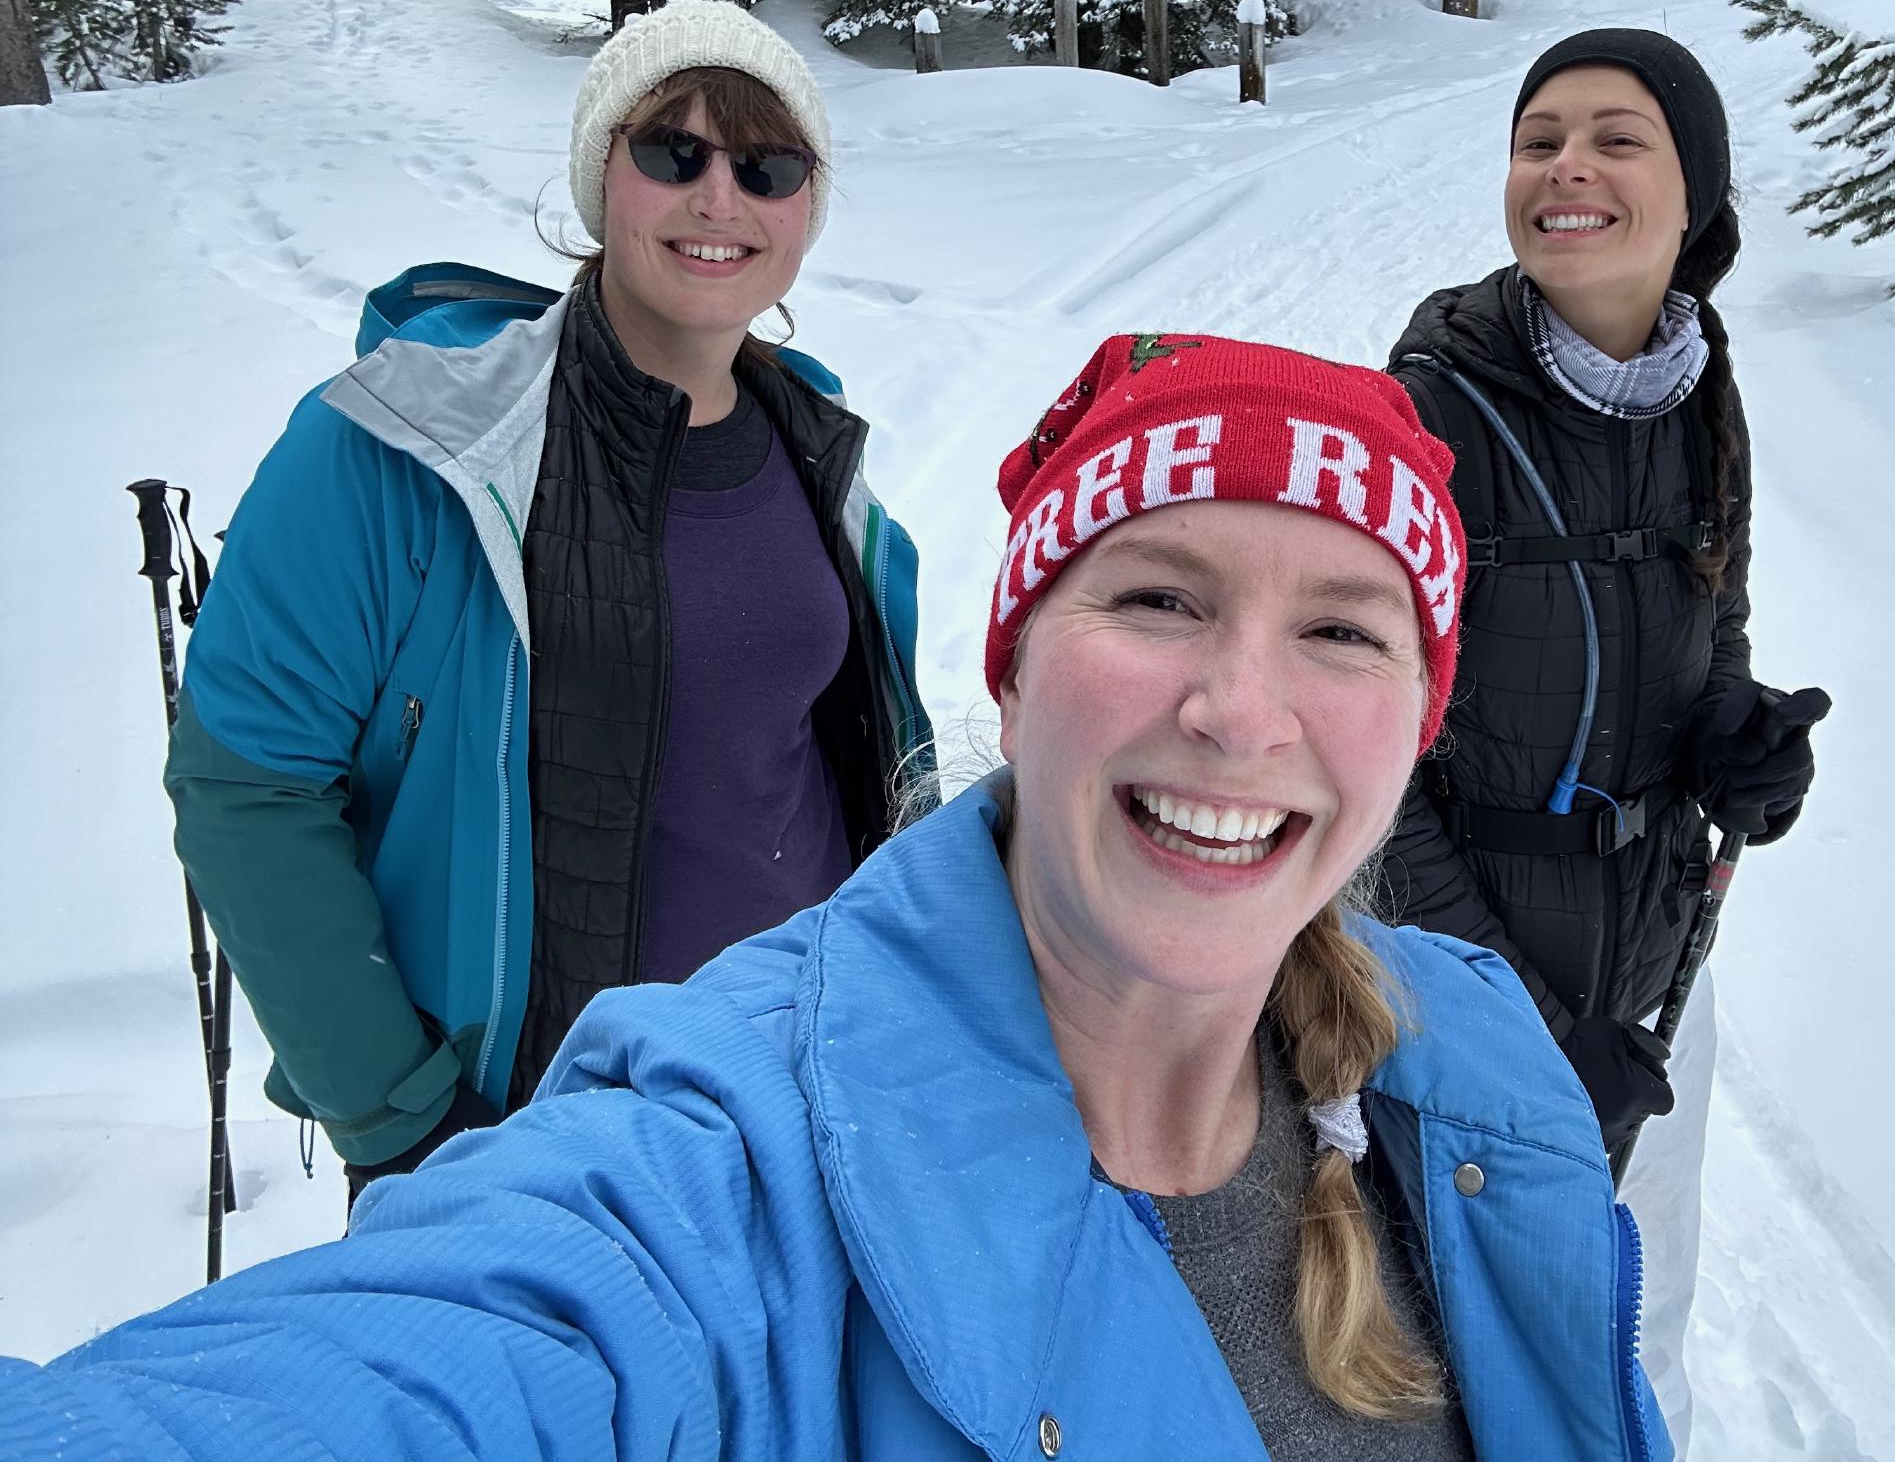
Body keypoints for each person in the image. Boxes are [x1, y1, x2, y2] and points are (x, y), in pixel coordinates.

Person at [1, 333, 1672, 1462]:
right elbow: (457, 1354)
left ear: (1418, 722)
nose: (1242, 708)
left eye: (1342, 629)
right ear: (1013, 682)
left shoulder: (1470, 1069)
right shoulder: (725, 1174)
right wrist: (395, 1103)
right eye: (1159, 596)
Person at [160, 0, 934, 1200]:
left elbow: (844, 766)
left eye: (766, 165)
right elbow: (244, 787)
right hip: (533, 1140)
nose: (718, 197)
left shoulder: (814, 442)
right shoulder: (409, 446)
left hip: (802, 1103)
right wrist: (401, 1120)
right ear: (600, 178)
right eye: (671, 152)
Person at [1381, 28, 1830, 1152]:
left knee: (1637, 1317)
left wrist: (1741, 750)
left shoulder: (1697, 397)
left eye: (1615, 141)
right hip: (1449, 1010)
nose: (1563, 165)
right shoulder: (1423, 419)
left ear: (1695, 199)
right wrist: (1523, 1028)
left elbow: (1715, 621)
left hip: (1654, 994)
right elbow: (1361, 774)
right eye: (1538, 141)